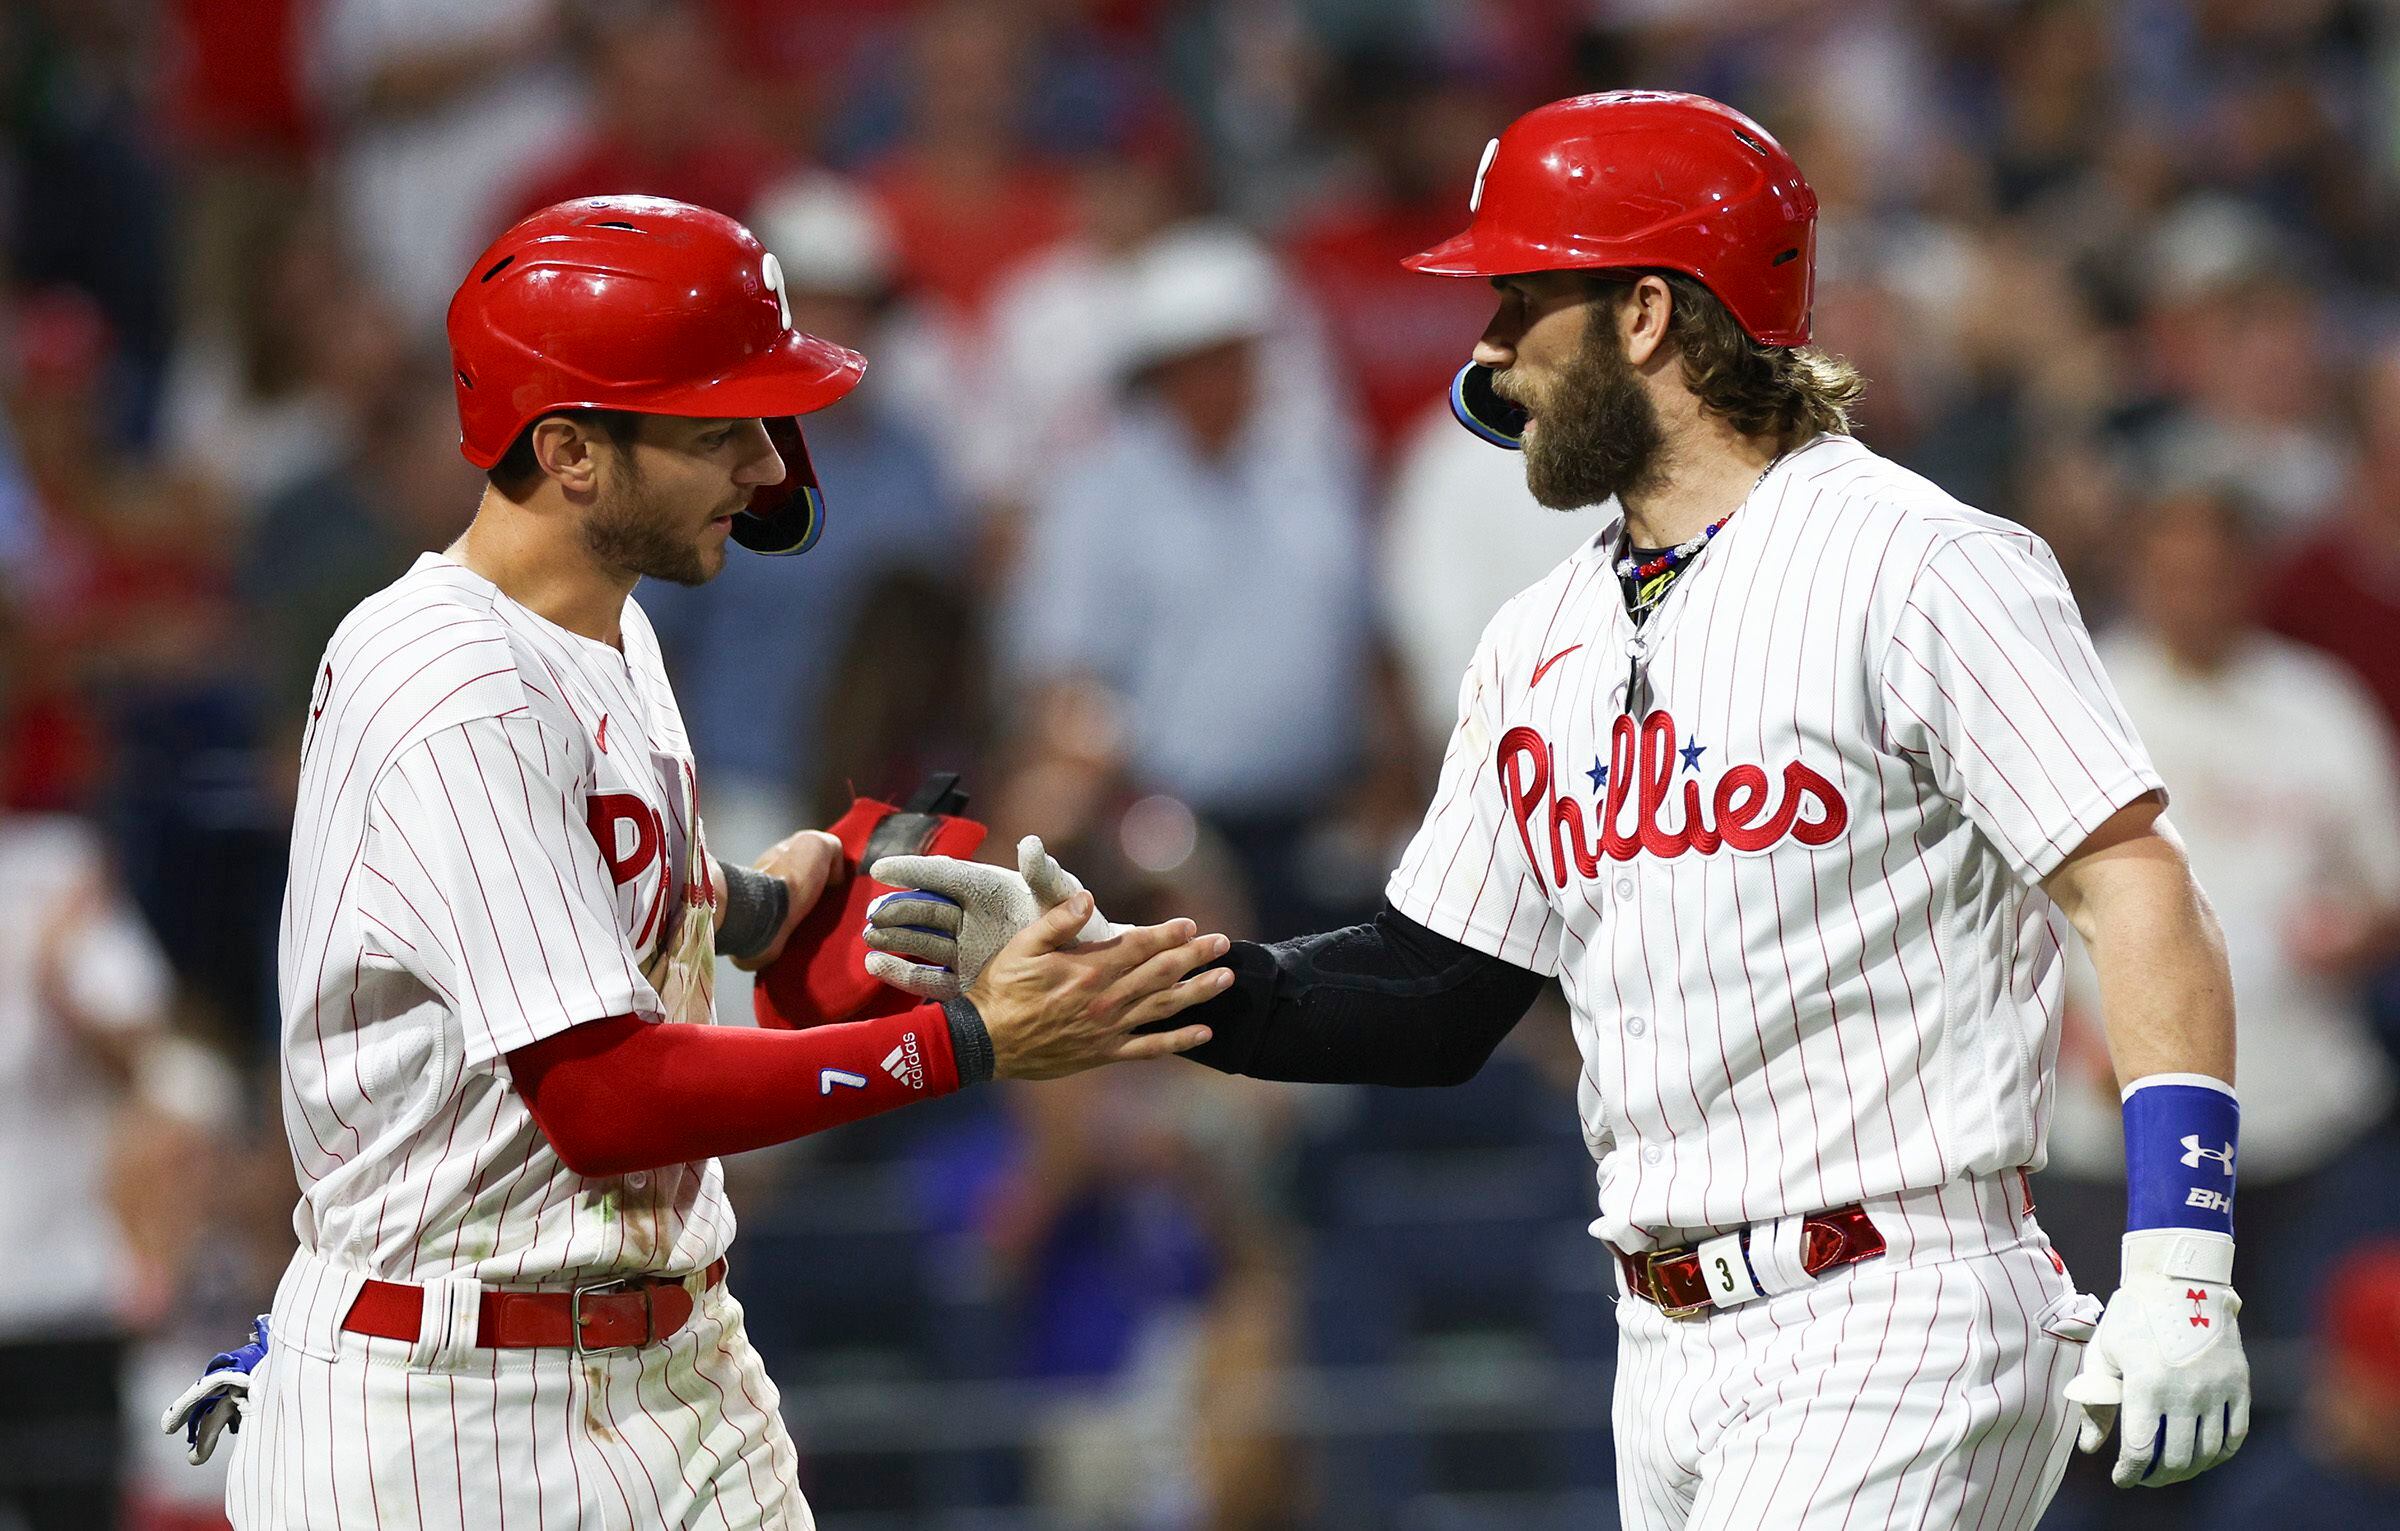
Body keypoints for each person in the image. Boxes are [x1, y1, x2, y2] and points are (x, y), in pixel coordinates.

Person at [867, 92, 2252, 1526]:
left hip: (1893, 1307)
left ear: (1647, 314)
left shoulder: (1919, 564)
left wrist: (2183, 1257)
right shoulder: (1542, 636)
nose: (1486, 351)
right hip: (1659, 1343)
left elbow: (2135, 886)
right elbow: (1430, 991)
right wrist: (1118, 981)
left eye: (1521, 298)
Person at [193, 195, 1230, 1531]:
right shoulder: (447, 678)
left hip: (673, 1368)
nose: (765, 467)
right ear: (570, 451)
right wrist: (970, 1043)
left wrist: (767, 903)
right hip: (452, 1407)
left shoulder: (605, 634)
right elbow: (607, 1097)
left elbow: (599, 885)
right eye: (719, 430)